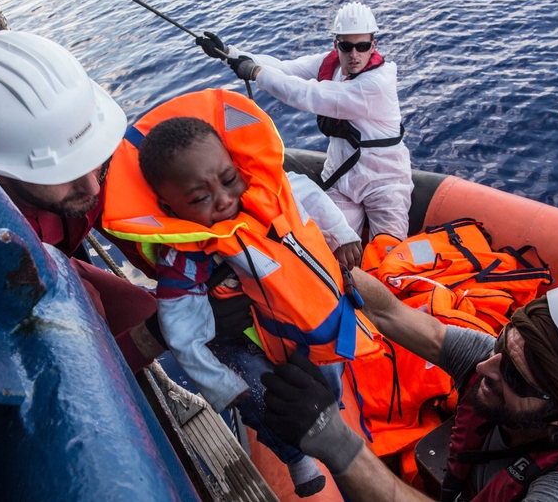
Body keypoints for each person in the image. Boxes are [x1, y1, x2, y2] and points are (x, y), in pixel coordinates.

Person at [101, 89, 387, 497]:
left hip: (305, 322)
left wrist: (341, 234)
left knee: (327, 374)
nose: (223, 199)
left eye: (230, 179)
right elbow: (181, 330)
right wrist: (219, 384)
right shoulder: (182, 261)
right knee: (258, 393)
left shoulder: (270, 193)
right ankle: (296, 458)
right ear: (167, 206)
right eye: (200, 198)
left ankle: (334, 414)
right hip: (242, 339)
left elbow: (306, 192)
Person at [260, 275, 558, 502]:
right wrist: (311, 264)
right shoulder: (501, 371)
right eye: (502, 344)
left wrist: (332, 438)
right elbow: (391, 313)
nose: (484, 365)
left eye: (514, 377)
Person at [0, 30, 165, 373]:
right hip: (30, 283)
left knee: (146, 310)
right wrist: (153, 338)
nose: (92, 186)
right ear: (2, 174)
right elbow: (63, 372)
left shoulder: (96, 169)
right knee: (95, 312)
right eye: (64, 173)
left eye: (93, 159)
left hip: (57, 256)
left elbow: (151, 239)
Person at [197, 2, 413, 241]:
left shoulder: (376, 84)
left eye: (362, 46)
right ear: (336, 45)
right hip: (342, 175)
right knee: (332, 245)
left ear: (373, 46)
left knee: (391, 251)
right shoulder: (329, 64)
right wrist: (229, 53)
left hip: (384, 181)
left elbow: (310, 94)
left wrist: (256, 73)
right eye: (346, 46)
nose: (354, 54)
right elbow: (283, 69)